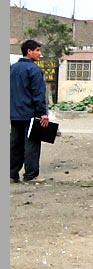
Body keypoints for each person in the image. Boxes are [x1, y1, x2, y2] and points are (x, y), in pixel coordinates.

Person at [10, 39, 50, 184]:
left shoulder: (11, 68)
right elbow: (38, 94)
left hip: (14, 114)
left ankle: (11, 173)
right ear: (29, 51)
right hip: (30, 114)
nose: (40, 54)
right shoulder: (34, 70)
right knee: (32, 144)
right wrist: (43, 113)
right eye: (38, 50)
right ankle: (31, 175)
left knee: (15, 144)